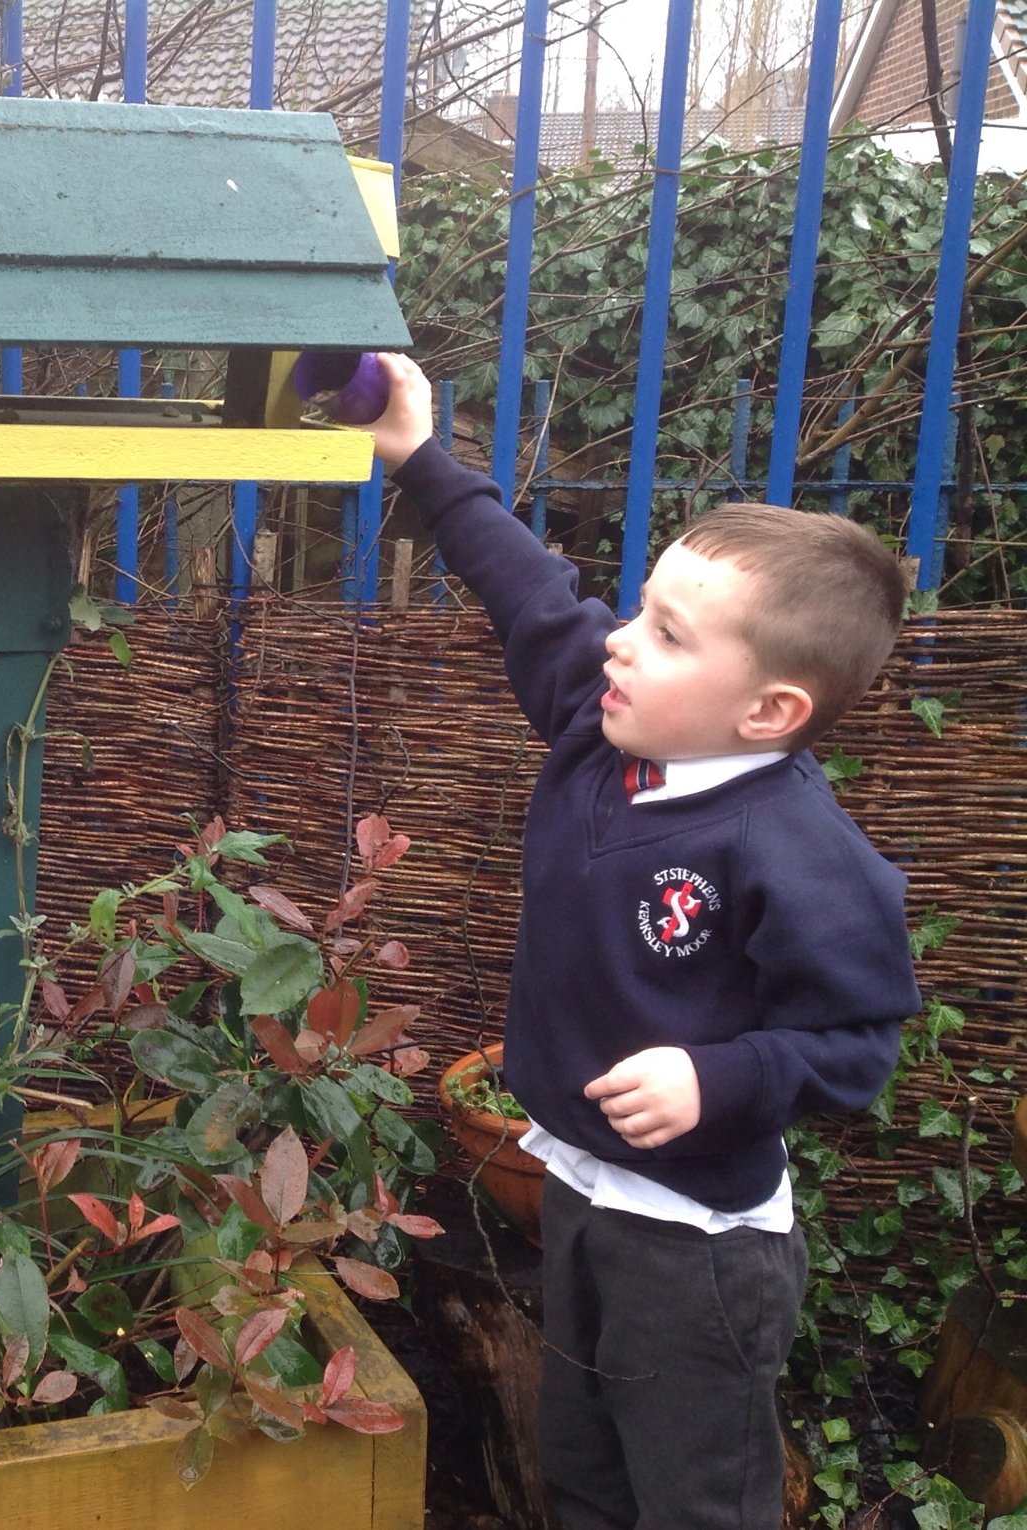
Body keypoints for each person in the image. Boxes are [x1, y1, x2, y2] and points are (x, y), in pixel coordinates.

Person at [364, 353, 922, 1530]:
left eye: (666, 635)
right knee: (579, 1472)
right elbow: (529, 594)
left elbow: (858, 1040)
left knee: (694, 1500)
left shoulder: (795, 852)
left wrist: (714, 1077)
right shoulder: (601, 727)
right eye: (638, 611)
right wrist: (416, 453)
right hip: (576, 1193)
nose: (619, 641)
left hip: (695, 1251)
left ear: (766, 711)